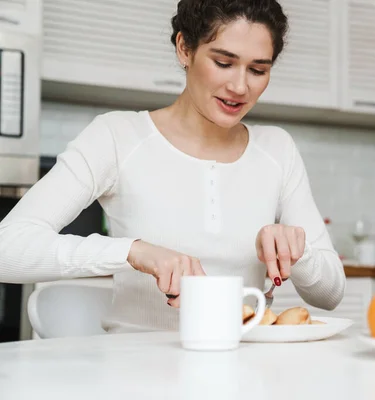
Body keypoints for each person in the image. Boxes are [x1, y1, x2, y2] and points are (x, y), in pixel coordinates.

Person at [0, 0, 345, 333]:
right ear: (185, 48)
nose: (240, 87)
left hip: (242, 375)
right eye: (224, 63)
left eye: (258, 70)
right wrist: (133, 251)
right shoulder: (118, 137)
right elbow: (8, 249)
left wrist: (299, 252)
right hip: (136, 376)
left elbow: (329, 295)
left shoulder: (277, 149)